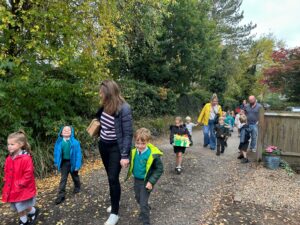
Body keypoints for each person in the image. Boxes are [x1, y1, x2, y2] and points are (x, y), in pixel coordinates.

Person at [95, 80, 133, 225]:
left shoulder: (124, 108)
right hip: (103, 145)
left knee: (112, 178)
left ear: (109, 92)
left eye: (102, 91)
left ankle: (114, 213)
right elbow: (99, 118)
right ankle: (115, 200)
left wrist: (124, 155)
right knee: (111, 178)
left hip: (116, 148)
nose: (100, 94)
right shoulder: (104, 105)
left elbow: (128, 133)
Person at [126, 128, 164, 225]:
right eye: (137, 143)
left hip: (146, 181)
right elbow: (132, 160)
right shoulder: (134, 151)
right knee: (138, 197)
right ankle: (146, 207)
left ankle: (146, 221)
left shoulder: (153, 155)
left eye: (143, 144)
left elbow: (159, 169)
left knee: (142, 203)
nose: (140, 146)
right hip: (136, 180)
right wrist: (127, 162)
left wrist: (151, 182)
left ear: (148, 142)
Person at [2, 131, 39, 225]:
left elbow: (28, 173)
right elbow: (6, 170)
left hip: (22, 188)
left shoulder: (25, 158)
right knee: (19, 206)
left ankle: (28, 217)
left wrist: (21, 183)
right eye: (8, 144)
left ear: (21, 144)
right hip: (12, 188)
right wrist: (6, 179)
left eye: (12, 144)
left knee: (21, 206)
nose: (9, 146)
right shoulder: (9, 158)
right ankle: (29, 216)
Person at [54, 126, 82, 205]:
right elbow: (56, 153)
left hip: (72, 162)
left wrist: (77, 165)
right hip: (64, 163)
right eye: (64, 130)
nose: (66, 131)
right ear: (61, 132)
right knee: (63, 178)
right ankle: (61, 195)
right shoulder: (59, 142)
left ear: (71, 132)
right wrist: (56, 162)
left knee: (75, 176)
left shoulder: (75, 142)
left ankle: (77, 186)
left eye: (68, 130)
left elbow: (78, 154)